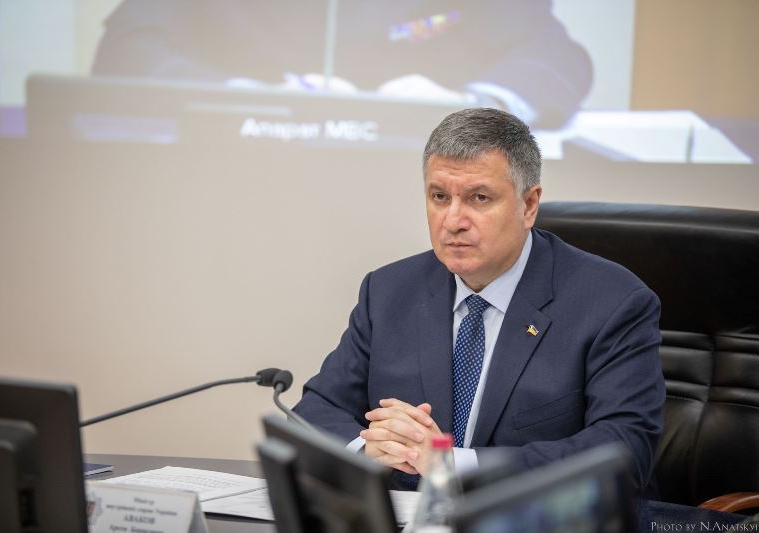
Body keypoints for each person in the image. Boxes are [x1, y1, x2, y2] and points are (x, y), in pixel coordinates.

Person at [293, 107, 665, 493]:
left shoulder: (613, 303)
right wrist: (368, 450)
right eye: (439, 196)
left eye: (479, 198)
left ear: (529, 205)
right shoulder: (388, 290)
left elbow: (626, 450)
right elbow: (313, 412)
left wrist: (454, 464)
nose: (453, 221)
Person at [92, 0, 593, 128]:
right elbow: (126, 49)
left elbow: (553, 56)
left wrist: (474, 105)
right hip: (229, 175)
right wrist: (231, 93)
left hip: (417, 187)